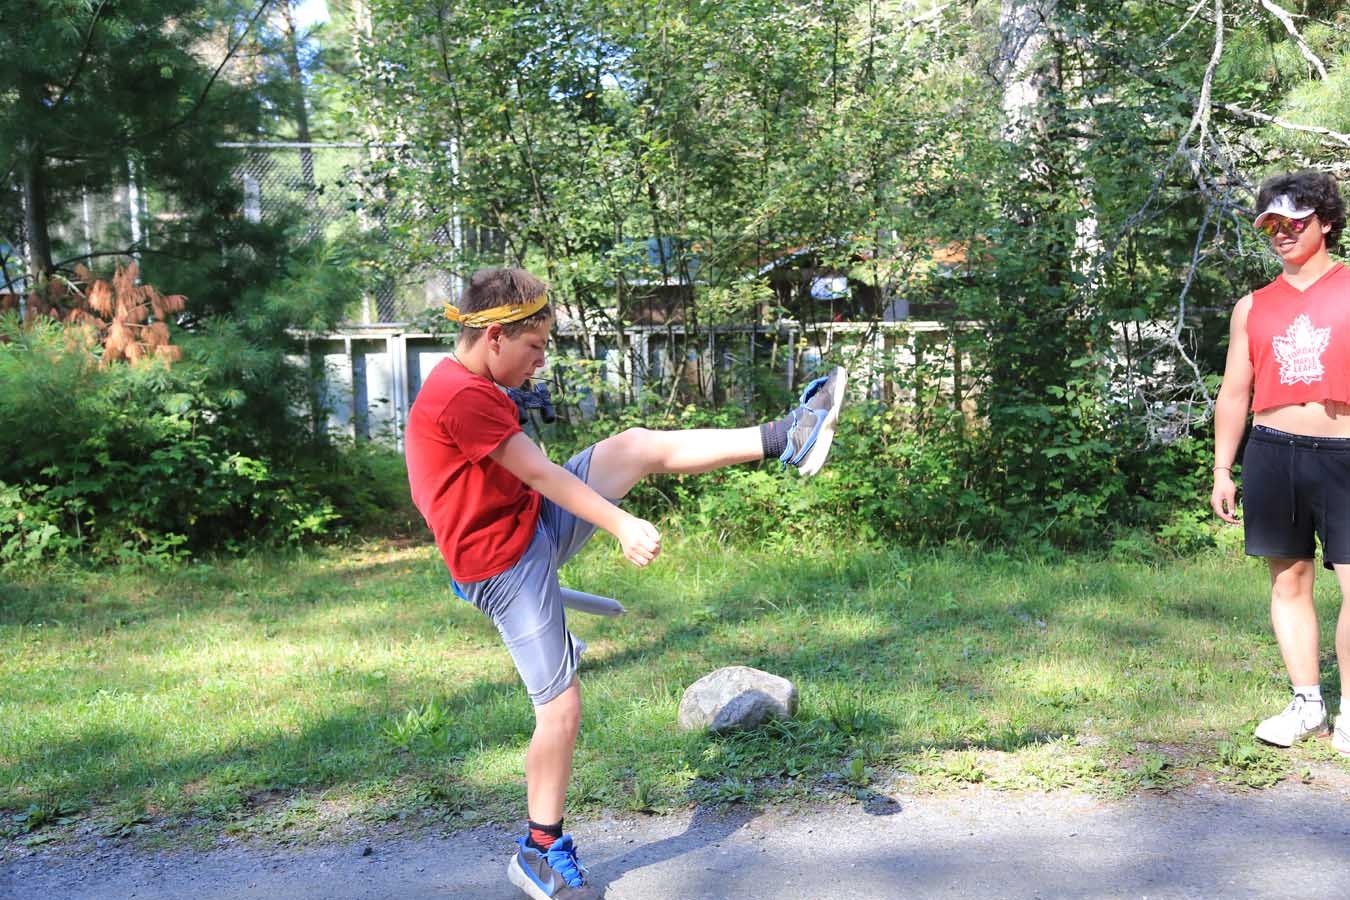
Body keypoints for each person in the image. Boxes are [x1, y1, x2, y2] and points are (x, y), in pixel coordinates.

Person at [404, 267, 848, 899]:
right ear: (495, 337)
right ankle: (538, 850)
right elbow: (542, 475)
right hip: (506, 565)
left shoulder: (476, 381)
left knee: (633, 446)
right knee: (559, 707)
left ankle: (788, 436)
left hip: (523, 525)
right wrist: (621, 524)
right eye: (533, 347)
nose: (539, 361)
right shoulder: (462, 396)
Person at [1211, 170, 1350, 757]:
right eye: (1271, 224)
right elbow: (1233, 392)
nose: (1282, 233)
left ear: (1326, 222)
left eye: (1294, 221)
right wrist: (1223, 469)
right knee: (1288, 580)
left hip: (1345, 455)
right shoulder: (1253, 306)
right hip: (1273, 452)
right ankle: (1307, 703)